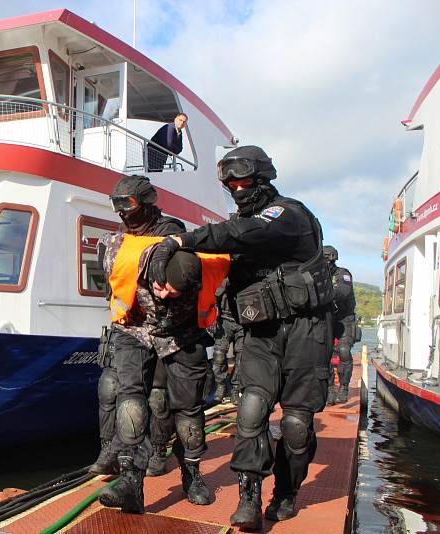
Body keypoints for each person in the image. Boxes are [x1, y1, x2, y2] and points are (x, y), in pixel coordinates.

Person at [148, 145, 334, 529]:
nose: (235, 187)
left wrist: (181, 240)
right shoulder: (241, 226)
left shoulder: (287, 214)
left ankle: (286, 492)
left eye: (242, 179)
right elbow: (215, 264)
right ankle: (249, 496)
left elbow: (244, 233)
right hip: (260, 333)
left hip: (305, 330)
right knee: (251, 413)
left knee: (297, 425)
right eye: (228, 182)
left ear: (263, 177)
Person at [96, 229, 229, 514]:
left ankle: (192, 476)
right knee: (129, 400)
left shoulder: (211, 269)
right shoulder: (120, 255)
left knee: (189, 411)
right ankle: (131, 481)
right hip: (135, 328)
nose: (167, 293)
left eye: (175, 292)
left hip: (184, 334)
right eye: (164, 286)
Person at [90, 176, 187, 479]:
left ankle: (158, 449)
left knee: (158, 395)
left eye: (127, 204)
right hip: (129, 325)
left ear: (145, 203)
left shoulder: (170, 232)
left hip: (163, 327)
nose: (121, 212)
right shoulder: (120, 236)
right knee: (118, 391)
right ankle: (118, 449)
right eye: (116, 205)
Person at [323, 245, 356, 405]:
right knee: (324, 355)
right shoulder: (318, 276)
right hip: (327, 319)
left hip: (345, 319)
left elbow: (343, 291)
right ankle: (329, 389)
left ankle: (343, 388)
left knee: (343, 351)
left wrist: (322, 294)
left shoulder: (343, 274)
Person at [211, 279, 243, 404]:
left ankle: (236, 389)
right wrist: (213, 319)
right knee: (218, 356)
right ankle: (221, 386)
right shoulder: (223, 277)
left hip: (242, 322)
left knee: (242, 358)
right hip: (224, 320)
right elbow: (213, 299)